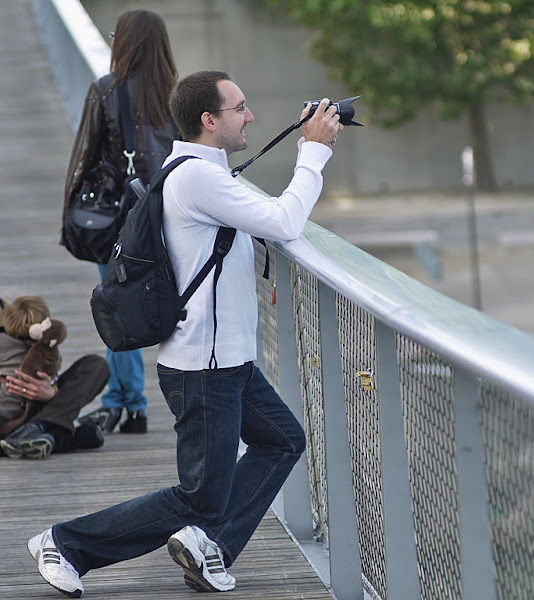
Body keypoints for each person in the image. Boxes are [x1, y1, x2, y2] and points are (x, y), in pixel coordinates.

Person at [27, 71, 343, 596]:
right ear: (209, 120)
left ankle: (207, 546)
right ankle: (66, 542)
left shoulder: (202, 170)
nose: (251, 117)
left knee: (283, 440)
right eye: (241, 108)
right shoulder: (198, 177)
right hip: (204, 366)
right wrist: (313, 152)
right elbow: (285, 221)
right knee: (198, 495)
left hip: (227, 359)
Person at [65, 9, 180, 435]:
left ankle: (127, 401)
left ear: (123, 44)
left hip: (122, 224)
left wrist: (72, 219)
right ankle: (146, 400)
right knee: (178, 307)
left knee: (118, 306)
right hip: (175, 217)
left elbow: (85, 158)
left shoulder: (105, 91)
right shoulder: (182, 94)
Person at [0, 296, 108, 459]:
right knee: (87, 435)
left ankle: (35, 429)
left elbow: (52, 373)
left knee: (96, 365)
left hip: (38, 411)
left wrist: (52, 392)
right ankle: (58, 438)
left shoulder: (47, 344)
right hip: (6, 415)